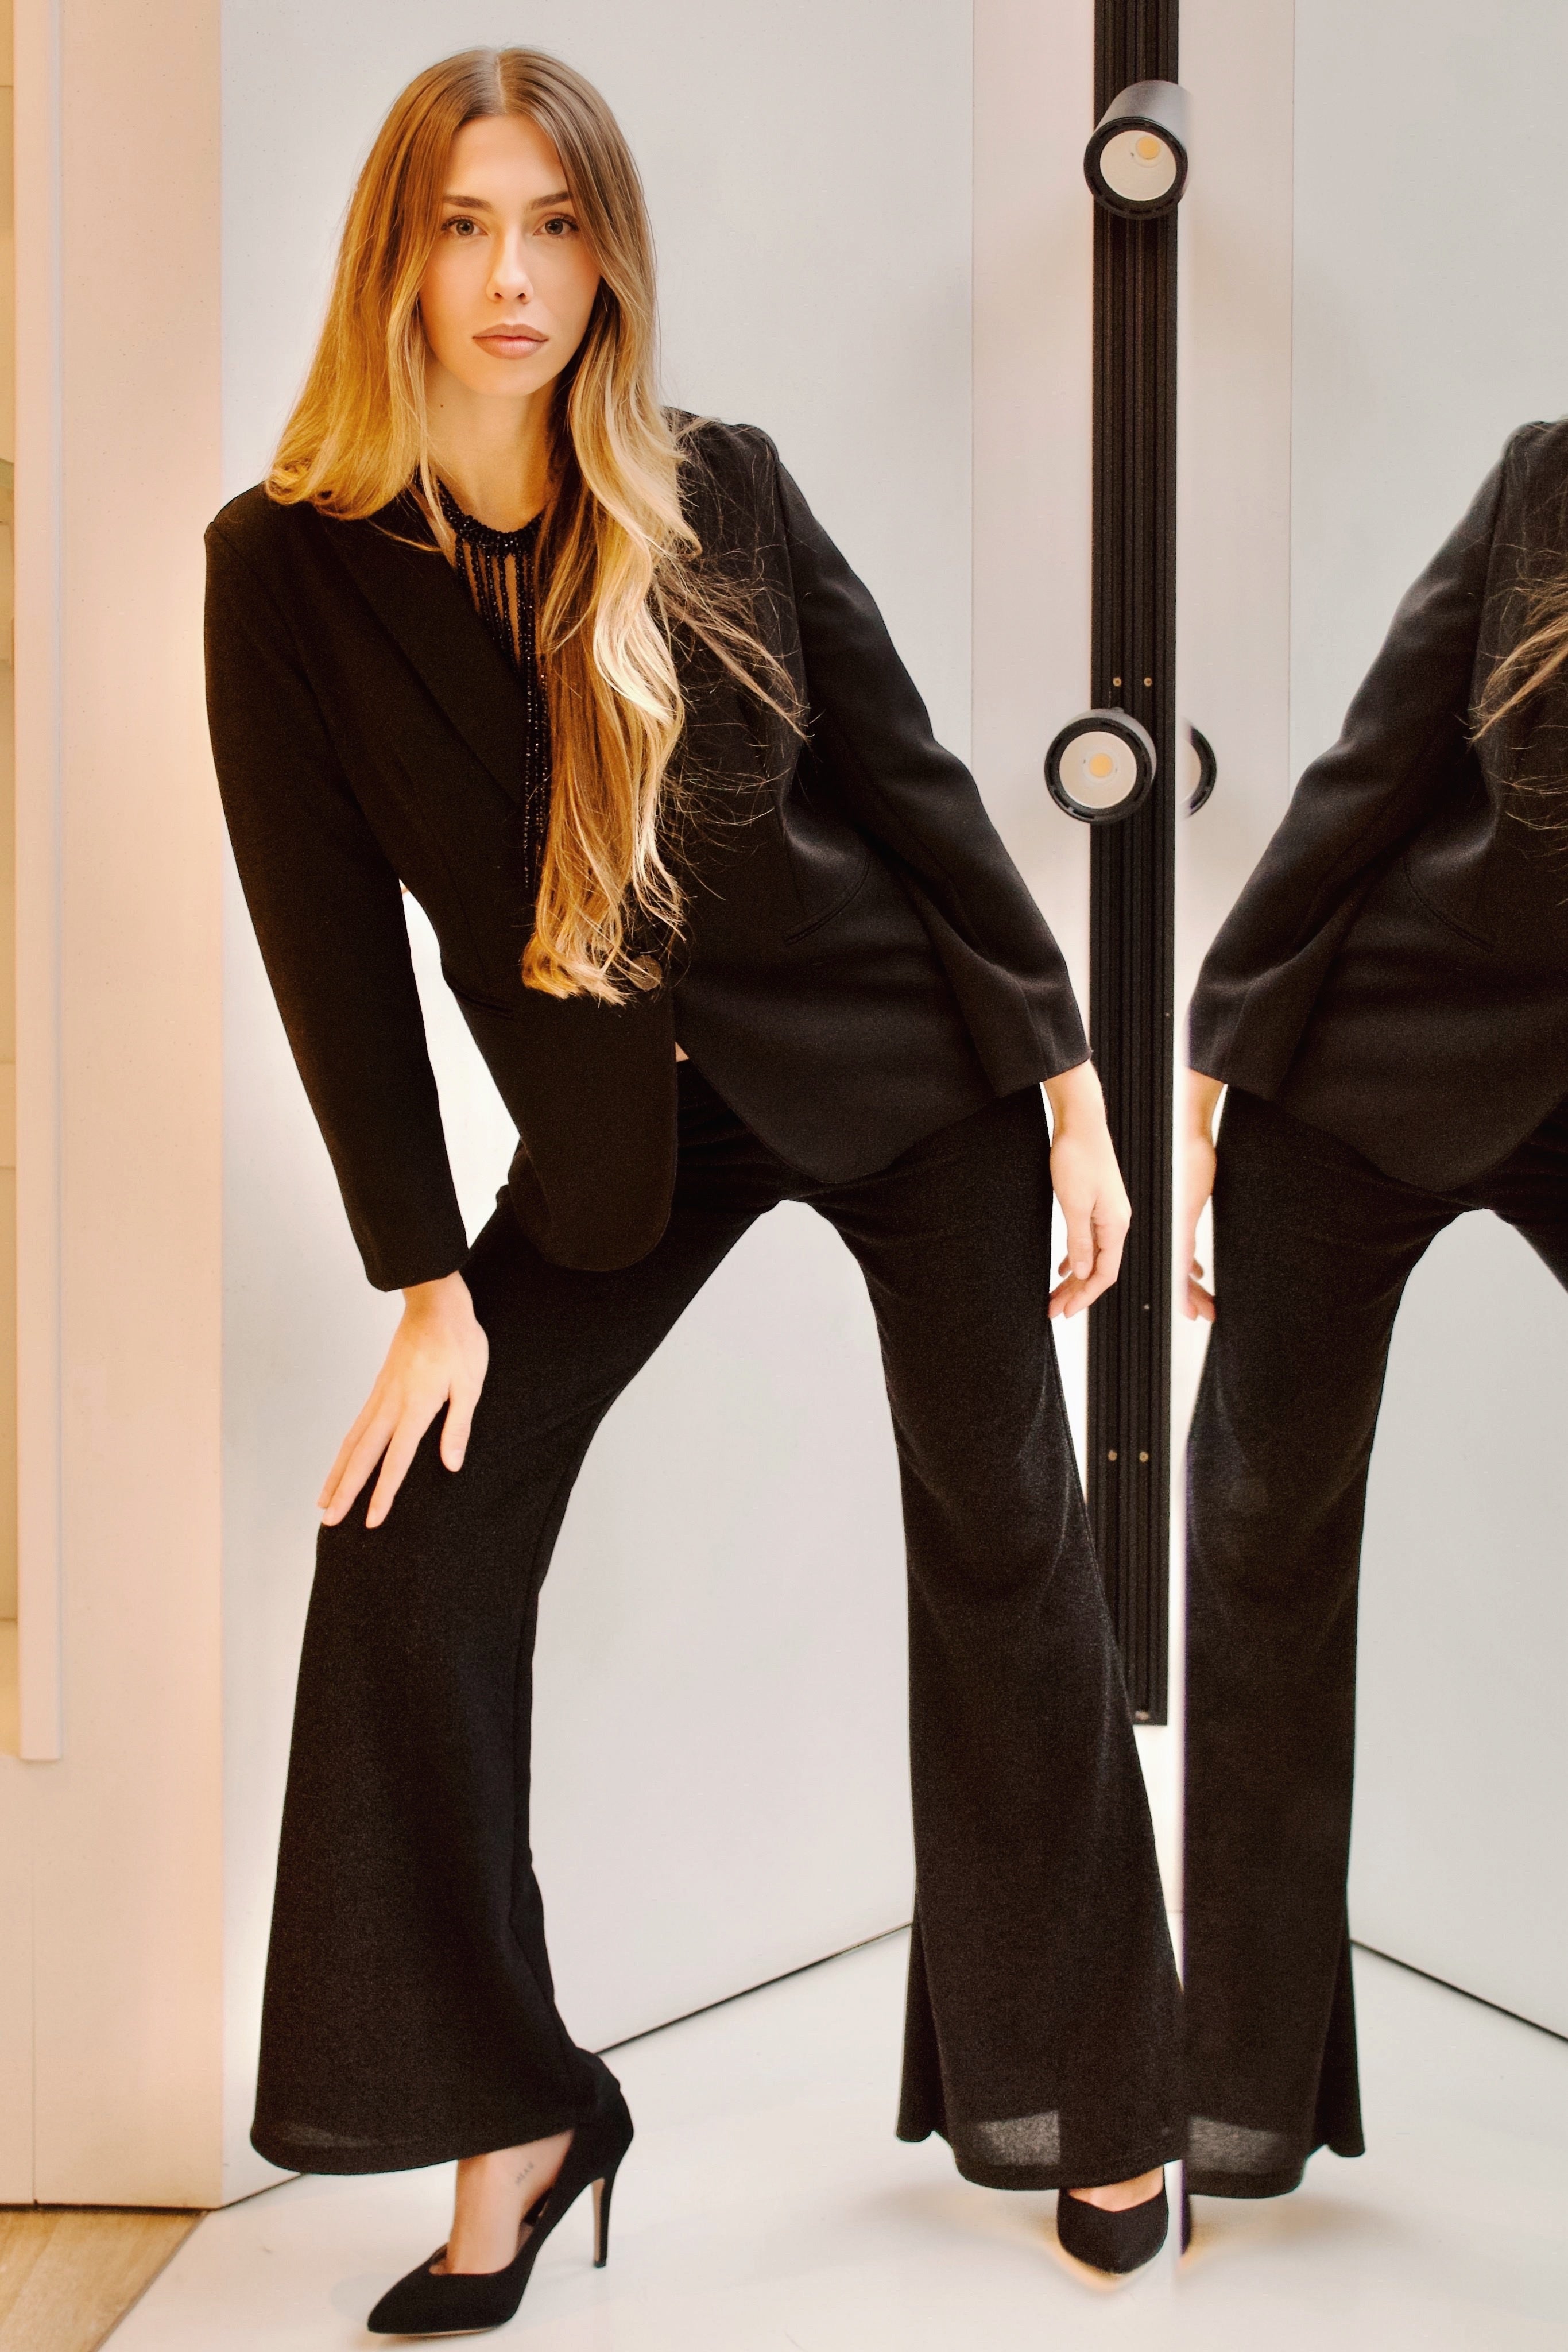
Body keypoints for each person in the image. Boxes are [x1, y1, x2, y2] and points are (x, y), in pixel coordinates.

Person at [206, 48, 1181, 2333]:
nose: (513, 274)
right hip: (616, 1140)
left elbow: (912, 783)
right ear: (395, 258)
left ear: (606, 258)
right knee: (406, 1546)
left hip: (897, 1069)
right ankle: (516, 2113)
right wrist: (426, 1283)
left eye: (555, 225)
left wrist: (1064, 1081)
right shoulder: (285, 569)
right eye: (466, 225)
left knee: (1009, 1549)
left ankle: (1099, 2079)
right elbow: (326, 947)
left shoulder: (712, 486)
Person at [1180, 419, 1568, 2206]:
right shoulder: (1550, 479)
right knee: (1257, 1535)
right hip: (1364, 1064)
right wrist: (1211, 1068)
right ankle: (1229, 2097)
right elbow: (1376, 761)